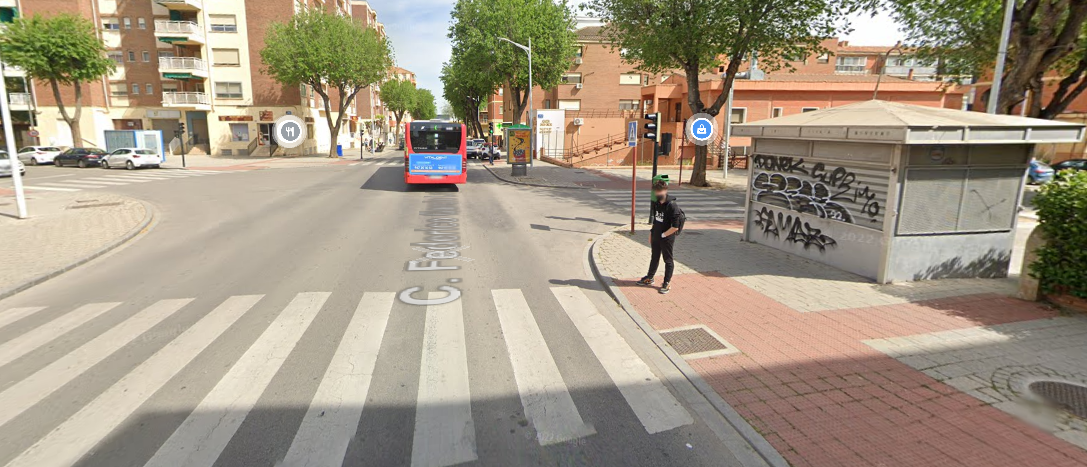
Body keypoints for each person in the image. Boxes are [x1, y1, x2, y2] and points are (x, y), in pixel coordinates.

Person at [638, 180, 684, 294]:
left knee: (667, 260)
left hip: (667, 237)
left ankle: (667, 282)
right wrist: (652, 233)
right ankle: (650, 277)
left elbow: (675, 227)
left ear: (665, 190)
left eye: (660, 191)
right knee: (654, 257)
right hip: (656, 235)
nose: (658, 193)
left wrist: (663, 235)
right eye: (656, 191)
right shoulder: (656, 203)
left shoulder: (672, 205)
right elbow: (655, 220)